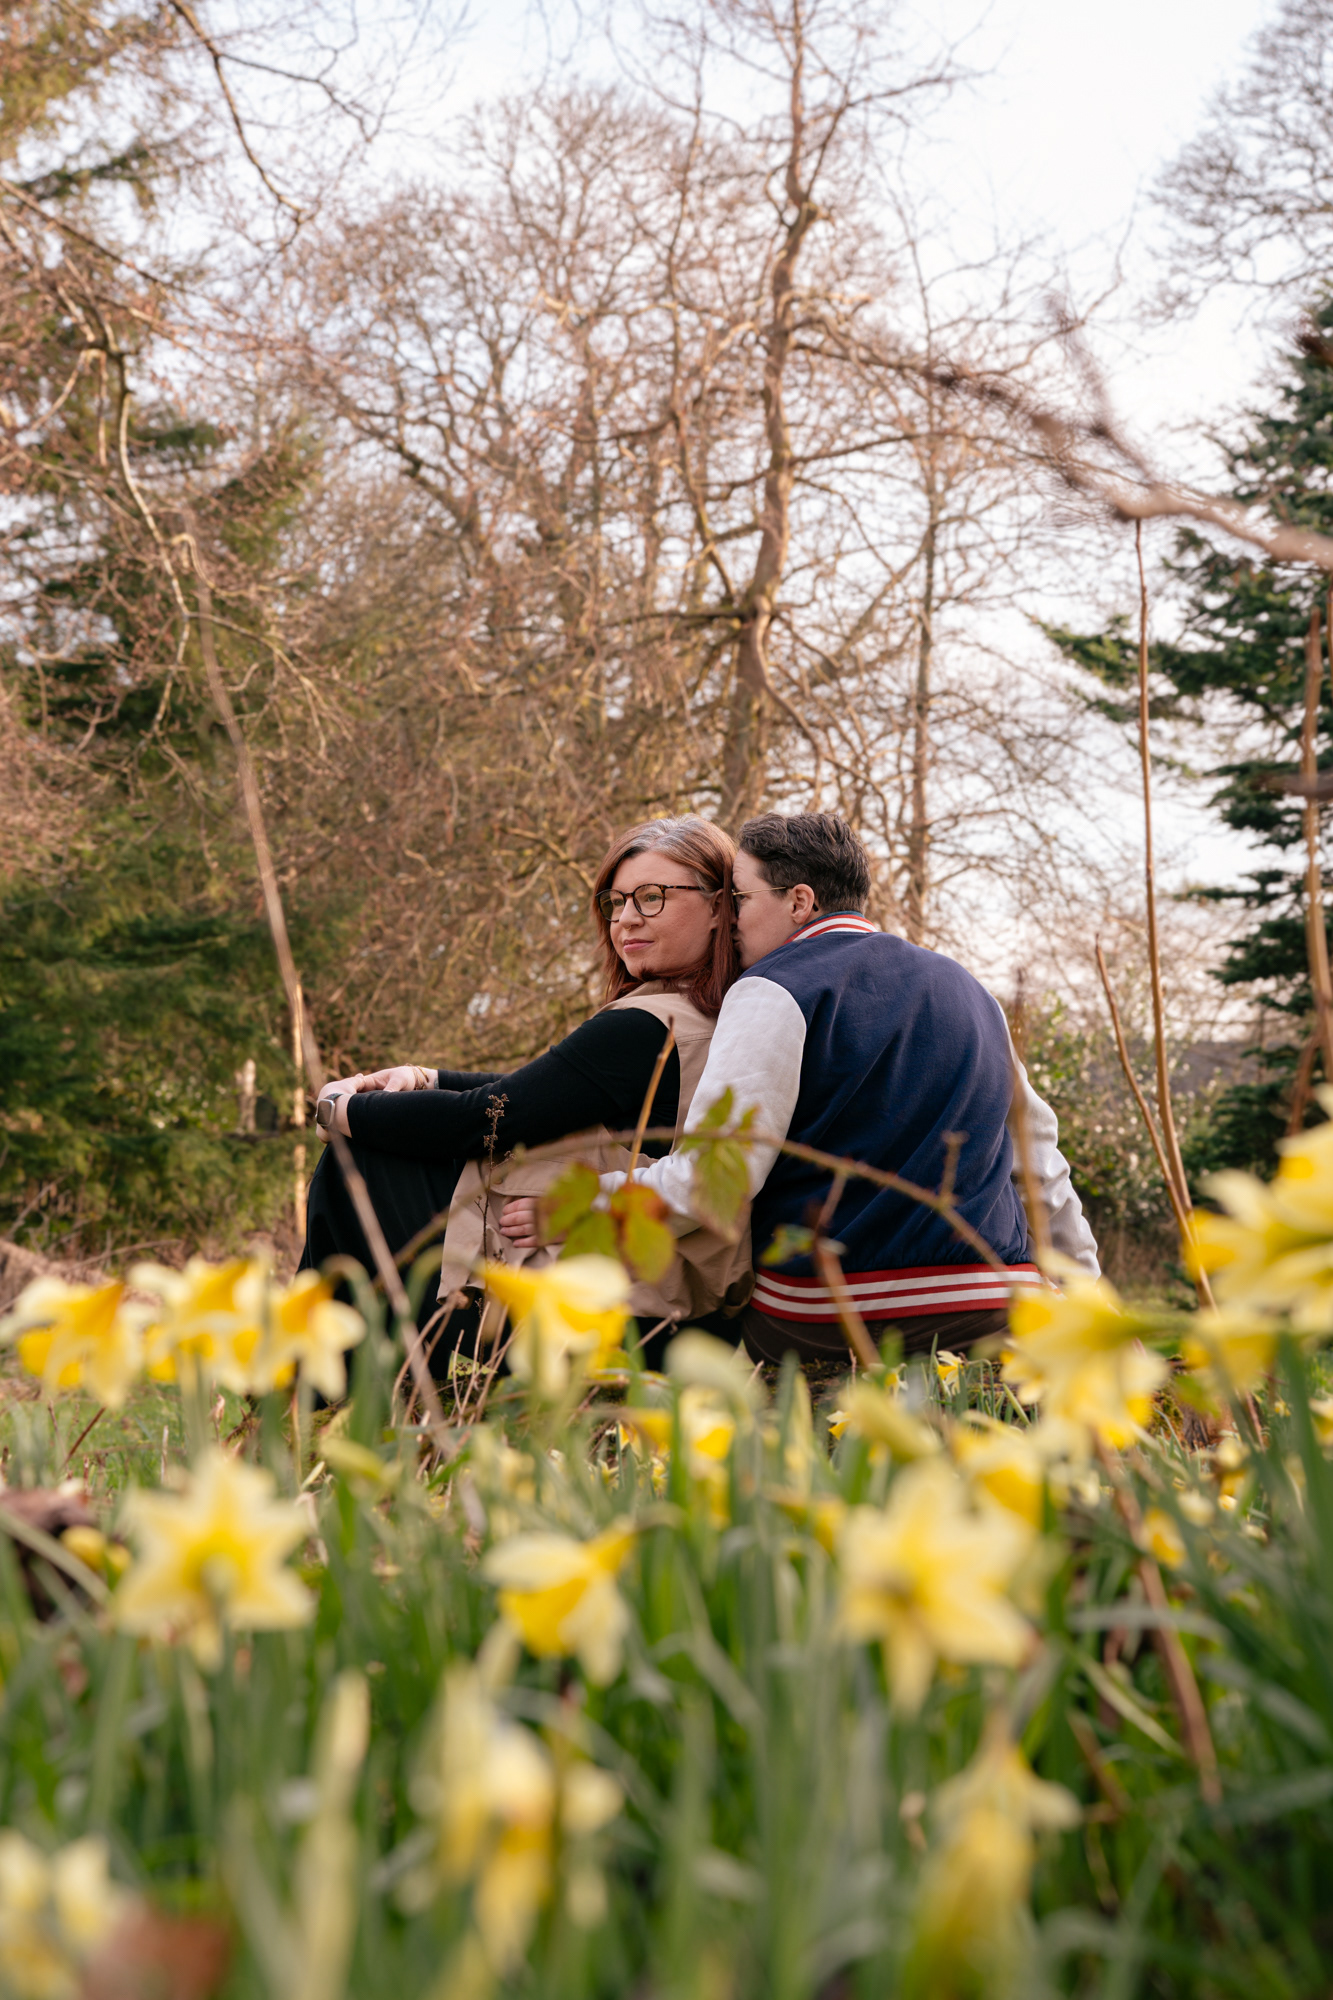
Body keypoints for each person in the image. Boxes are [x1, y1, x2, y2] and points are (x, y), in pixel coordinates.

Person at [603, 811, 1098, 1366]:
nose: (730, 922)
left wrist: (586, 1200)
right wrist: (1092, 1305)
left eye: (740, 899)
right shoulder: (970, 988)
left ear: (799, 902)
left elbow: (713, 1184)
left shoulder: (773, 987)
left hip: (834, 1318)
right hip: (997, 1308)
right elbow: (1039, 1167)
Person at [300, 815, 746, 1341]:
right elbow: (549, 1089)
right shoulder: (714, 1015)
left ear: (718, 905)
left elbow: (486, 1118)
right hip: (662, 1294)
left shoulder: (646, 1028)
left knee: (356, 1160)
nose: (627, 919)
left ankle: (315, 1385)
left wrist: (340, 1109)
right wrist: (425, 1077)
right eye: (616, 902)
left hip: (609, 1308)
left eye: (652, 897)